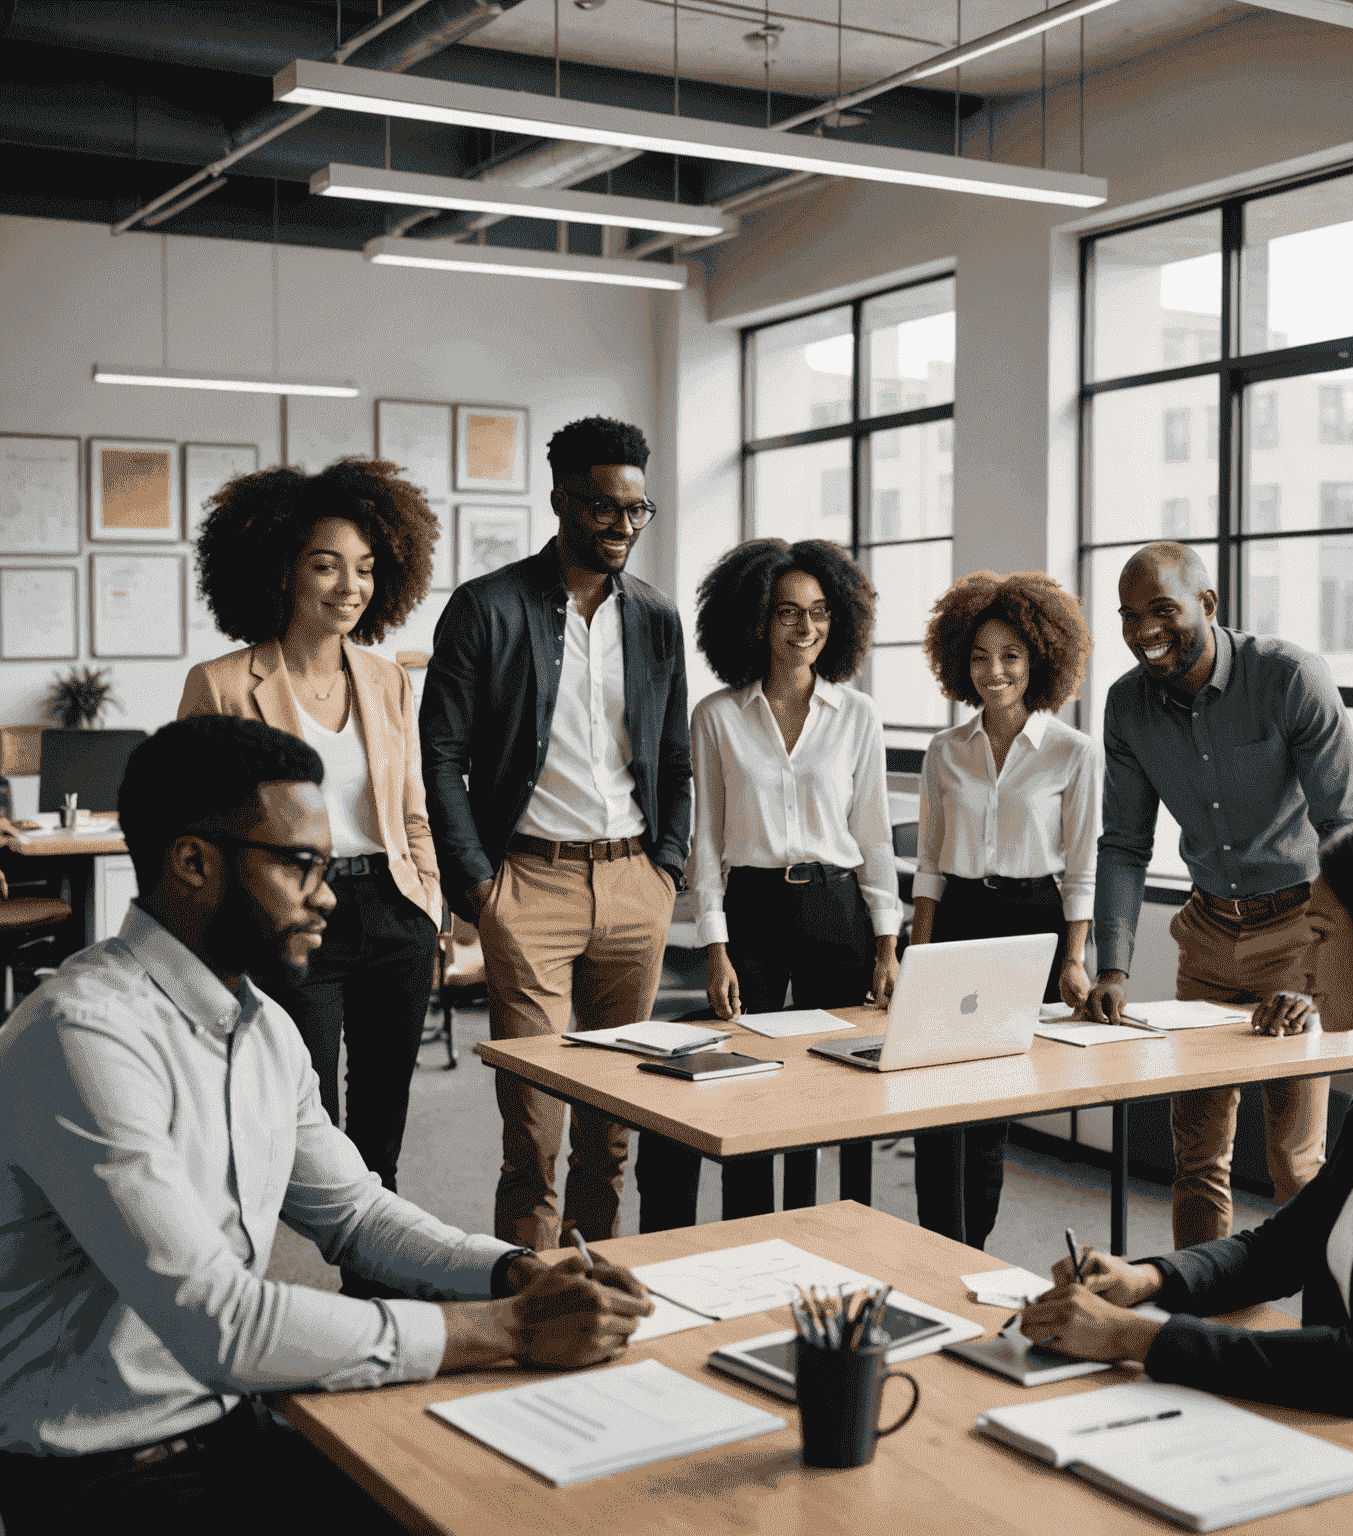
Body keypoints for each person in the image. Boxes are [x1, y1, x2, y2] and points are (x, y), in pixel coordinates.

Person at [0, 716, 651, 1535]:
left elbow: (356, 1214)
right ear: (194, 862)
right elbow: (221, 1322)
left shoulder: (263, 1027)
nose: (330, 894)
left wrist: (516, 1272)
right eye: (302, 866)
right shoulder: (82, 1035)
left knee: (521, 1497)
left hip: (238, 1424)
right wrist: (506, 1329)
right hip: (96, 1479)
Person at [1021, 808, 1353, 1441]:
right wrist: (1145, 1279)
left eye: (1321, 933)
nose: (1301, 955)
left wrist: (1130, 1336)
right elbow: (1282, 1250)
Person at [419, 416, 690, 1250]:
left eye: (637, 511)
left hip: (633, 882)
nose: (621, 525)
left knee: (611, 1129)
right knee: (532, 1131)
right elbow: (440, 756)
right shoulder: (486, 608)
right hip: (528, 886)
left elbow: (675, 753)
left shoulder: (654, 618)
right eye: (605, 507)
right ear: (561, 501)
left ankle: (595, 1282)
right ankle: (531, 1299)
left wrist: (667, 868)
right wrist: (477, 886)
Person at [178, 459, 442, 1296]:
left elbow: (413, 810)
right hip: (293, 918)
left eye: (365, 568)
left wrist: (429, 905)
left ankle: (377, 1305)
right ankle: (250, 1304)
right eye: (327, 564)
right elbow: (195, 829)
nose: (349, 586)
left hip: (392, 913)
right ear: (282, 568)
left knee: (382, 1131)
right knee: (303, 1124)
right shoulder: (222, 685)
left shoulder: (388, 678)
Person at [1086, 542, 1353, 1247]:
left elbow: (1347, 830)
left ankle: (1319, 1337)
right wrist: (1112, 968)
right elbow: (1123, 842)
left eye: (1162, 610)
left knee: (1296, 1163)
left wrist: (1316, 977)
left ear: (1208, 606)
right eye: (1129, 615)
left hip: (1299, 930)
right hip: (1207, 941)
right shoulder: (1126, 705)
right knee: (1198, 1159)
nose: (1143, 631)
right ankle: (1194, 1326)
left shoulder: (1289, 678)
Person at [633, 539, 902, 1232]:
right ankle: (752, 1229)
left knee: (833, 1085)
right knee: (747, 1080)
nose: (804, 627)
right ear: (756, 620)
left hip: (836, 905)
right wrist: (714, 949)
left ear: (837, 620)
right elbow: (709, 842)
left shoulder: (859, 717)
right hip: (752, 905)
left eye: (818, 612)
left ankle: (832, 1230)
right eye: (787, 611)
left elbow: (873, 836)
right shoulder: (717, 717)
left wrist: (887, 942)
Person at [908, 570, 1099, 1248]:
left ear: (1039, 659)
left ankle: (970, 1251)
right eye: (981, 655)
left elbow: (1082, 869)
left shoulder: (1073, 753)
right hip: (957, 918)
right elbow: (929, 865)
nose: (994, 671)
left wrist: (1074, 960)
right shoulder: (944, 751)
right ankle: (935, 1244)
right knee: (934, 1099)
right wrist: (914, 955)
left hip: (1029, 921)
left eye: (1011, 655)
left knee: (988, 1107)